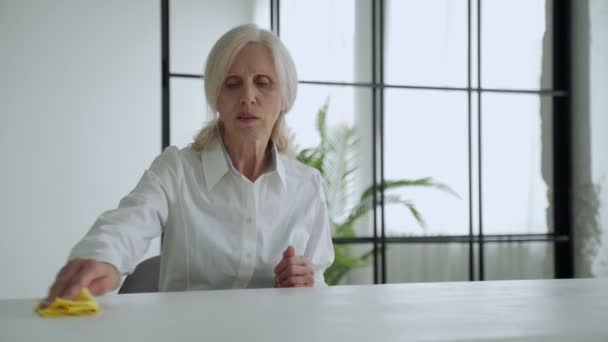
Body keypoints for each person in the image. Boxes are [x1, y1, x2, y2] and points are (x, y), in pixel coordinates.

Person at [42, 24, 335, 307]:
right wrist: (101, 258)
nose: (248, 97)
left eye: (263, 83)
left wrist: (305, 284)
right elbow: (127, 224)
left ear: (285, 98)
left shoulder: (307, 184)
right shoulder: (177, 169)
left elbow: (318, 286)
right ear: (216, 97)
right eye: (232, 84)